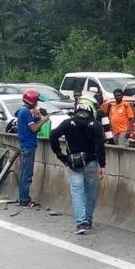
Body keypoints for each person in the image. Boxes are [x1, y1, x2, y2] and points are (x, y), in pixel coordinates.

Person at [49, 97, 106, 235]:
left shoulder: (67, 123)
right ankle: (88, 220)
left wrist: (60, 155)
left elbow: (53, 135)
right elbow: (100, 146)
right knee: (90, 192)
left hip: (73, 163)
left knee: (77, 192)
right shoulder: (96, 125)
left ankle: (80, 223)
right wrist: (102, 165)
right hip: (91, 162)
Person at [15, 90, 50, 208]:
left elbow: (34, 126)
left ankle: (23, 198)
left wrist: (38, 117)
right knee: (27, 174)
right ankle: (24, 199)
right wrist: (44, 120)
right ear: (33, 102)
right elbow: (34, 129)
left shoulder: (23, 111)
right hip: (28, 146)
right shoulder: (25, 112)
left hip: (27, 145)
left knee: (25, 173)